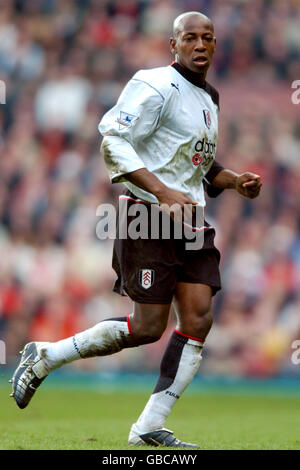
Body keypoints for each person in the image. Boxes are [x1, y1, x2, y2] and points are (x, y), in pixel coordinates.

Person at [10, 11, 262, 448]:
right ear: (174, 45)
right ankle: (47, 355)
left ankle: (148, 426)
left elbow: (196, 168)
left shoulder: (210, 99)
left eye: (208, 38)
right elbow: (112, 139)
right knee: (147, 328)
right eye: (190, 38)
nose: (200, 45)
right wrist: (162, 192)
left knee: (199, 318)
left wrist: (235, 180)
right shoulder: (153, 85)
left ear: (216, 45)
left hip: (189, 219)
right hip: (147, 214)